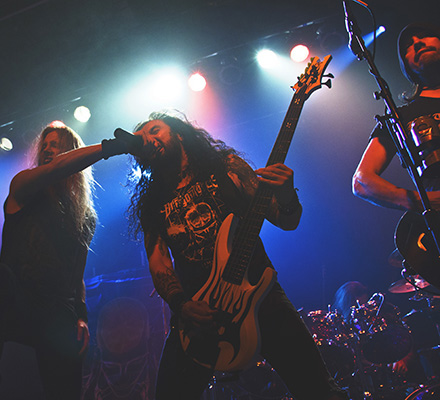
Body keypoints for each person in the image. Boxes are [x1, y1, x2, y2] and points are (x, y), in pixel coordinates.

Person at [123, 112, 347, 400]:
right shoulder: (152, 203)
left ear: (179, 134)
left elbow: (286, 220)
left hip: (260, 297)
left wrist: (287, 196)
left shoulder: (226, 167)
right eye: (142, 138)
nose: (149, 139)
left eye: (155, 130)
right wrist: (182, 305)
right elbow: (159, 262)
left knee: (319, 391)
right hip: (199, 314)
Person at [0, 123, 139, 400]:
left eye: (55, 144)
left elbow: (77, 273)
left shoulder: (86, 216)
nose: (47, 149)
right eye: (45, 145)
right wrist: (110, 148)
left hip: (56, 310)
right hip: (18, 302)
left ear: (71, 151)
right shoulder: (22, 186)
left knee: (65, 383)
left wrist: (81, 316)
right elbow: (58, 168)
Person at [352, 23, 440, 213]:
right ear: (406, 66)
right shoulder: (401, 117)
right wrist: (422, 201)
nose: (417, 43)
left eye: (425, 35)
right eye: (408, 45)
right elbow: (362, 181)